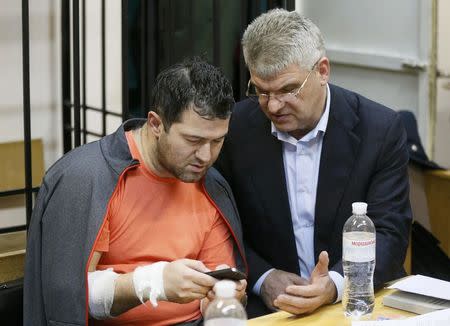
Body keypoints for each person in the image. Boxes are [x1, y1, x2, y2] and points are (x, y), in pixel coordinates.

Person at [215, 9, 412, 317]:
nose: (274, 105)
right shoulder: (235, 129)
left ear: (322, 71)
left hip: (355, 301)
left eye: (287, 90)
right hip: (269, 309)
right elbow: (217, 227)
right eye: (261, 91)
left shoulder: (380, 130)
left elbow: (390, 233)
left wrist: (335, 284)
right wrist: (261, 278)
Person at [24, 58, 247, 326]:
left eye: (217, 141)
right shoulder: (86, 178)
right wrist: (155, 282)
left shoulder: (211, 185)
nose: (206, 156)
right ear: (155, 124)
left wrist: (223, 298)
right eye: (193, 140)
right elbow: (70, 297)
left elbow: (218, 285)